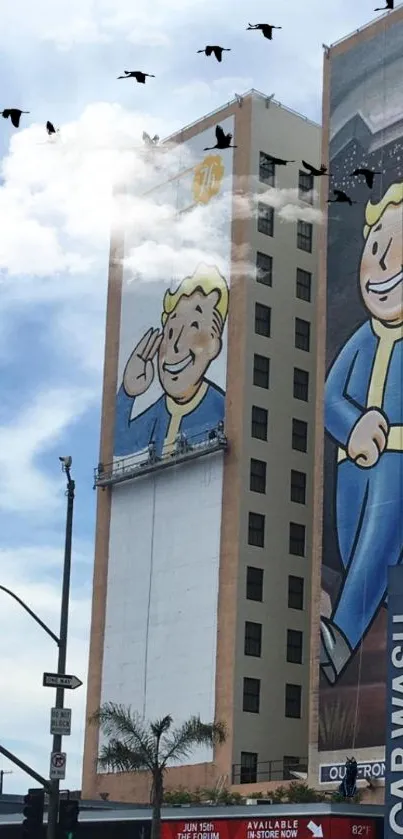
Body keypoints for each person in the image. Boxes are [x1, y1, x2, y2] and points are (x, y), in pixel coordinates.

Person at [320, 181, 403, 684]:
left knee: (378, 542)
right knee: (362, 553)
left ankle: (342, 637)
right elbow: (329, 399)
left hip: (396, 467)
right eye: (376, 249)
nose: (384, 266)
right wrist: (352, 425)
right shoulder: (359, 341)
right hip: (351, 472)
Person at [114, 263, 229, 459]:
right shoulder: (161, 410)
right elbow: (119, 445)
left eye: (192, 330)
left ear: (213, 345)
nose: (175, 346)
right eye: (171, 332)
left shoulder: (220, 407)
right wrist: (128, 392)